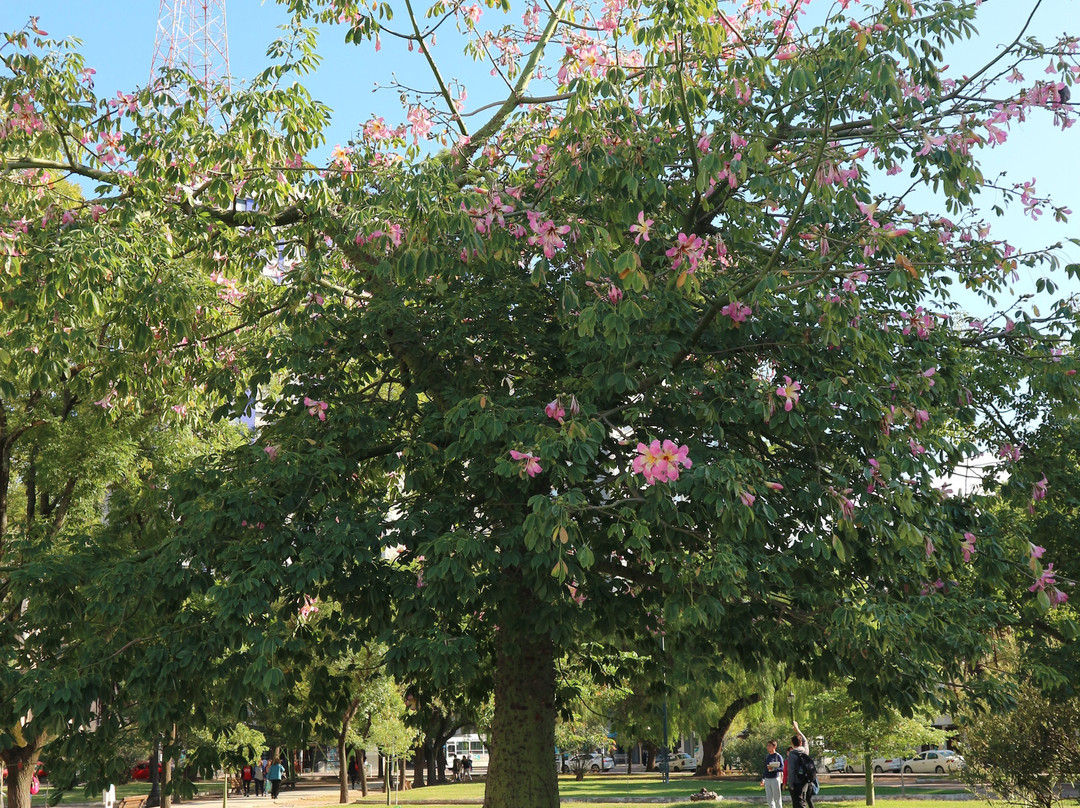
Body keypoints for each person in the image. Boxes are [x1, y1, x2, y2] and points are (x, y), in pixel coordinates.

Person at [787, 721, 813, 808]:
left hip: (796, 782)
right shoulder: (805, 750)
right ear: (800, 743)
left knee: (798, 803)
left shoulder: (792, 754)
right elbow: (805, 739)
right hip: (805, 780)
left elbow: (791, 770)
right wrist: (797, 729)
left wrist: (790, 785)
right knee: (803, 800)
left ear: (792, 743)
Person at [761, 739, 784, 808]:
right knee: (769, 799)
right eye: (767, 746)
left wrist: (774, 769)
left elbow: (782, 768)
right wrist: (763, 778)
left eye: (769, 746)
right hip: (767, 779)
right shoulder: (767, 756)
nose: (767, 747)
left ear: (774, 747)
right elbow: (765, 768)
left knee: (777, 798)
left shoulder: (778, 756)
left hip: (775, 779)